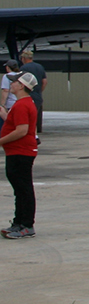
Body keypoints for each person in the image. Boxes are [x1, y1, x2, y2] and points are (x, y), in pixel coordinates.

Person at [0, 73, 39, 238]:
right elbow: (15, 122)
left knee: (23, 189)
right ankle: (18, 222)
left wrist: (1, 140)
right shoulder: (22, 104)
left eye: (14, 82)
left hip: (20, 151)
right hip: (17, 151)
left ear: (21, 85)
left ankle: (26, 225)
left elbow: (22, 130)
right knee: (20, 189)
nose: (11, 84)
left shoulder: (22, 104)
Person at [18, 50, 45, 136]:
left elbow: (21, 82)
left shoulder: (23, 68)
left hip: (28, 95)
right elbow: (44, 81)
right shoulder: (40, 67)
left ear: (23, 58)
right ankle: (35, 135)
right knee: (34, 118)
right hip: (38, 96)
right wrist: (39, 90)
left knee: (26, 118)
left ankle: (28, 135)